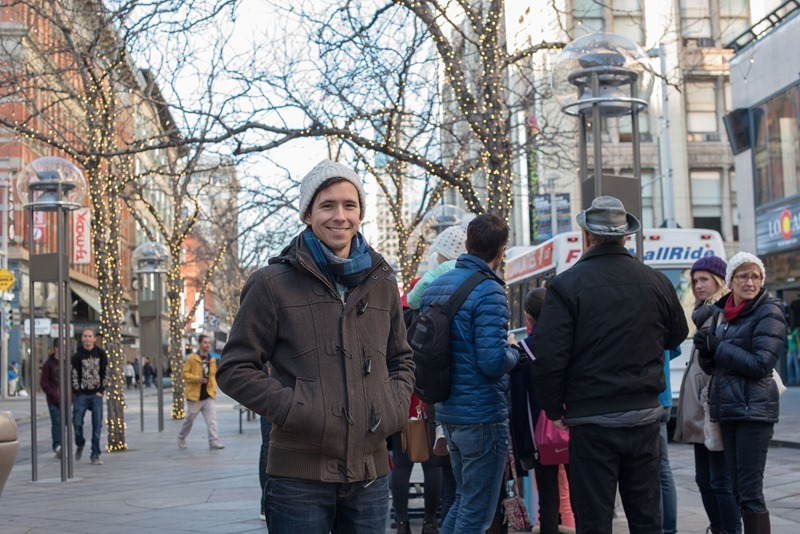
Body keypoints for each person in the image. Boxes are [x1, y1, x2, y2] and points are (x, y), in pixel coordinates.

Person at [216, 158, 415, 534]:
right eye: (327, 205)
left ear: (360, 213)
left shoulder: (382, 280)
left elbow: (400, 358)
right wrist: (297, 410)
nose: (339, 216)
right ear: (308, 213)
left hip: (371, 472)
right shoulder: (271, 283)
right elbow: (234, 368)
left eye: (349, 205)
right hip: (298, 477)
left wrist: (392, 407)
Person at [531, 196, 689, 534]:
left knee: (595, 520)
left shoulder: (565, 286)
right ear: (626, 236)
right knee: (647, 518)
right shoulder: (657, 282)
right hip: (644, 415)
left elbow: (549, 356)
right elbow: (678, 334)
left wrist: (553, 408)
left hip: (591, 419)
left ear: (586, 236)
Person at [419, 213, 519, 534]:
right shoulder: (489, 290)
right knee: (476, 513)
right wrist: (514, 353)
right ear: (501, 250)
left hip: (449, 412)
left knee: (463, 500)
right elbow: (491, 362)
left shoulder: (436, 286)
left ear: (469, 242)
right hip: (482, 416)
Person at [695, 251, 787, 534]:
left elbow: (761, 363)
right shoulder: (723, 314)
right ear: (732, 280)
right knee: (735, 489)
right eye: (743, 276)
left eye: (756, 276)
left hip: (754, 412)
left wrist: (718, 347)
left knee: (749, 492)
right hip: (729, 409)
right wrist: (706, 351)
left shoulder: (769, 311)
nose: (750, 282)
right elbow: (715, 366)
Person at [675, 255, 741, 534]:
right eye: (695, 281)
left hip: (715, 406)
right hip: (702, 407)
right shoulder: (703, 312)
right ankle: (717, 527)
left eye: (704, 280)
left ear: (718, 281)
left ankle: (729, 529)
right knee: (704, 478)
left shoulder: (723, 311)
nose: (698, 285)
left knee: (719, 480)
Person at [516, 288, 574, 534]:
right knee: (581, 496)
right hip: (575, 427)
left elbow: (519, 403)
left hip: (540, 433)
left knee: (547, 500)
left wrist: (523, 447)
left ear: (528, 317)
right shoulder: (573, 341)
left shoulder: (524, 350)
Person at [177, 334, 224, 450]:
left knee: (212, 420)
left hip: (208, 395)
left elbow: (213, 376)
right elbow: (185, 374)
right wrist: (197, 378)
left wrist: (213, 391)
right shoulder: (191, 358)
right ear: (200, 344)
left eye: (209, 343)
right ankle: (181, 437)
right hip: (195, 396)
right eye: (205, 342)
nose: (207, 345)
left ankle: (214, 441)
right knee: (189, 419)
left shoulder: (212, 359)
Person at [71, 329, 108, 465]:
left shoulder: (101, 354)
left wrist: (100, 390)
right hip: (81, 394)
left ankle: (95, 453)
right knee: (76, 422)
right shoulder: (76, 356)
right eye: (85, 336)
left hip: (96, 394)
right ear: (82, 339)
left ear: (94, 339)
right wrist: (77, 391)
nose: (87, 339)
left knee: (97, 425)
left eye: (89, 336)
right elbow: (74, 374)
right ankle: (80, 443)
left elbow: (105, 372)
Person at [41, 343, 62, 458]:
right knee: (57, 421)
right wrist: (53, 394)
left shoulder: (68, 362)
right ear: (56, 348)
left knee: (64, 423)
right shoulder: (48, 364)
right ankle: (57, 446)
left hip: (66, 399)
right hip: (53, 400)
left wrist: (72, 395)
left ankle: (61, 445)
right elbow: (43, 382)